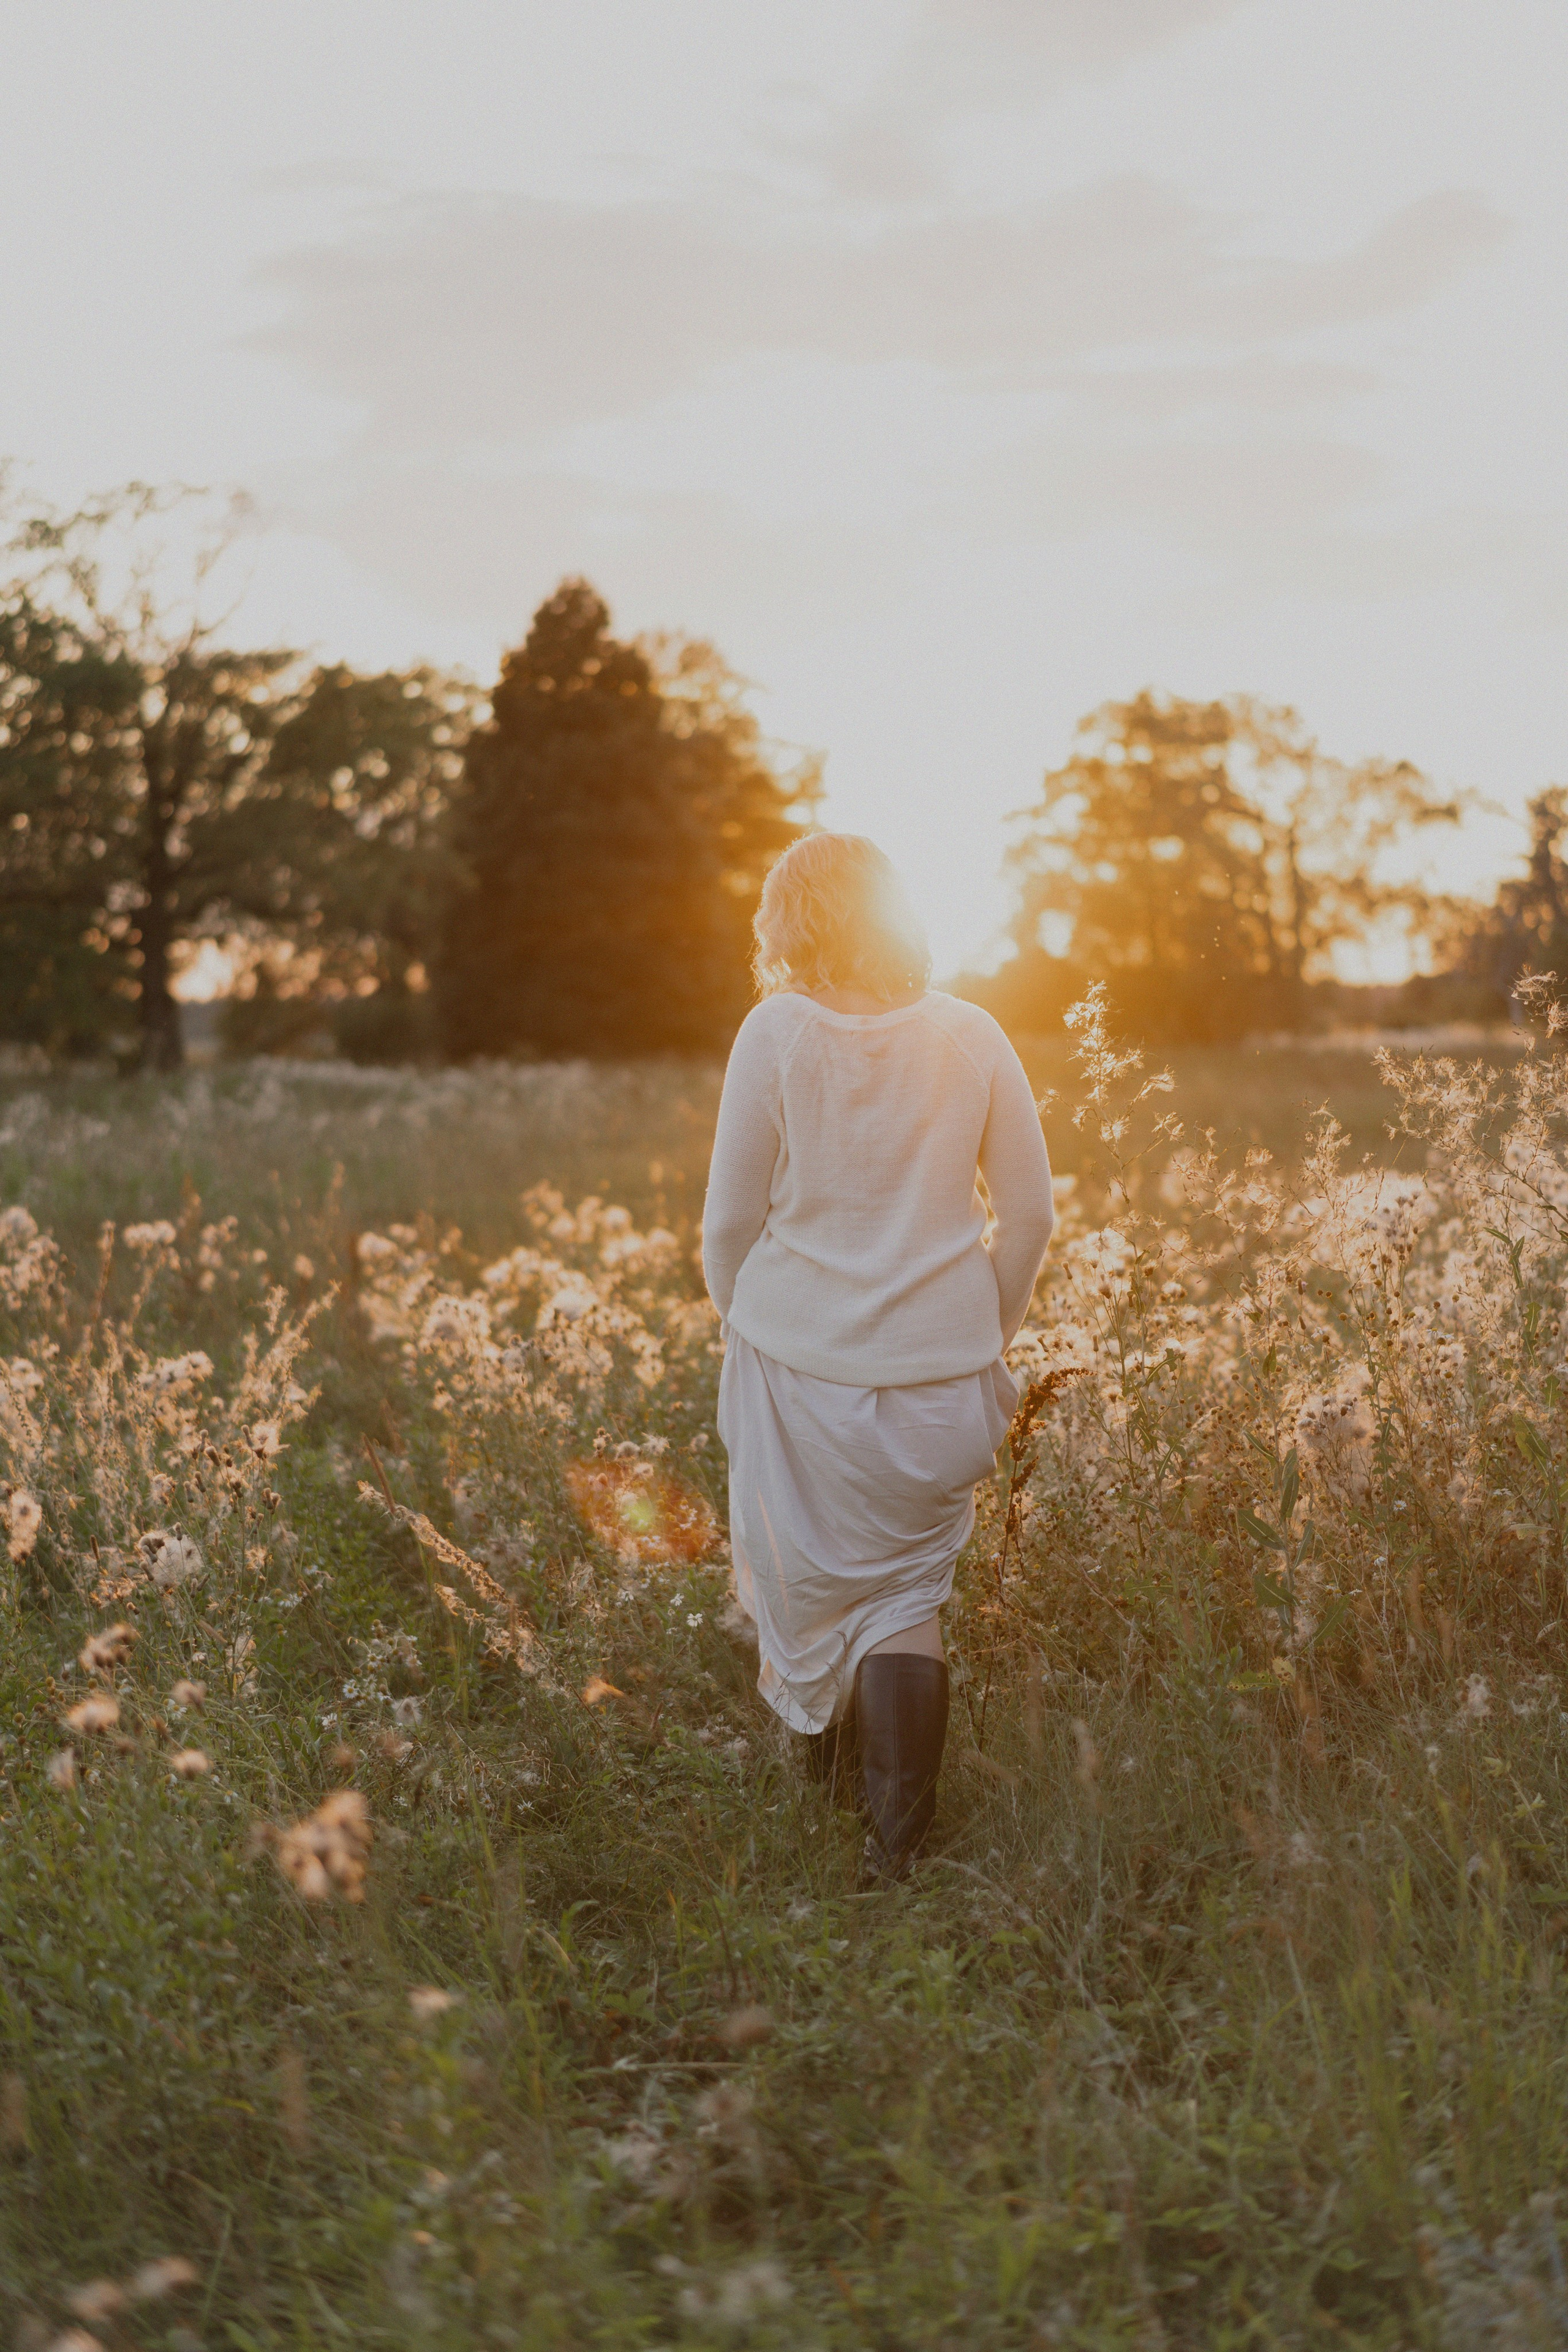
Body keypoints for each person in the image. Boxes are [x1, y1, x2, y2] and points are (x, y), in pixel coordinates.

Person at [702, 833, 1055, 1882]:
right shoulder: (976, 1033)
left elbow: (728, 1225)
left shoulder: (775, 1035)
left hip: (797, 1373)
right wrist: (978, 1334)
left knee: (800, 1583)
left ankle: (829, 1792)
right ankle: (896, 1851)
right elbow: (1028, 1218)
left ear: (788, 922)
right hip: (940, 1387)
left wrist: (751, 1324)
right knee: (908, 1597)